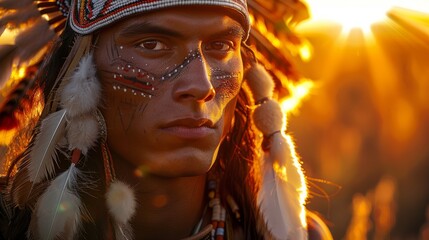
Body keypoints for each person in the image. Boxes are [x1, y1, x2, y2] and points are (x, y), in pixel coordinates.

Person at [0, 0, 332, 239]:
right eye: (152, 44)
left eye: (220, 45)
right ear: (80, 73)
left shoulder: (296, 234)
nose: (201, 86)